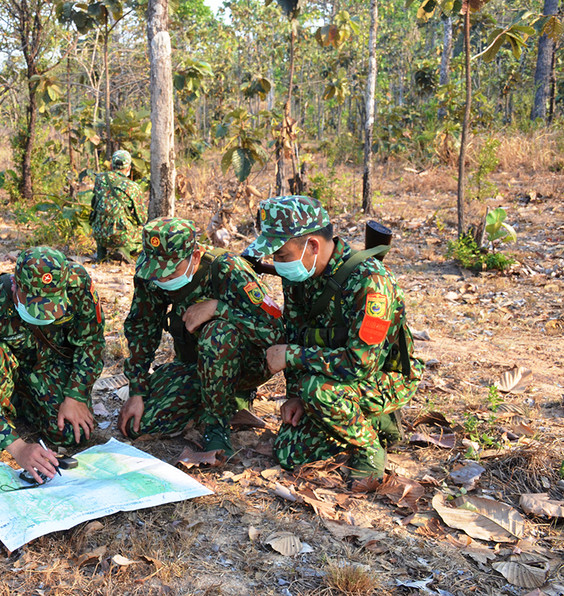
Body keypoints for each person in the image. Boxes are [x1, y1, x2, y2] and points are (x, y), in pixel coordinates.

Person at [243, 195, 423, 481]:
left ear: (313, 245)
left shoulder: (370, 282)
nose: (277, 264)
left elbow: (361, 363)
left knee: (318, 391)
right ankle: (369, 420)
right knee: (289, 453)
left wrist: (291, 357)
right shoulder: (300, 276)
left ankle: (368, 449)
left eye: (282, 256)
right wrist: (294, 395)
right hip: (331, 374)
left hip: (383, 378)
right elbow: (297, 333)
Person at [117, 218, 284, 456]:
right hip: (195, 364)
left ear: (194, 256)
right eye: (156, 272)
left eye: (170, 271)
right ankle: (217, 400)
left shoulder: (226, 269)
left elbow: (276, 332)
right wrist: (137, 391)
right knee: (141, 425)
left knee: (217, 332)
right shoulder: (150, 271)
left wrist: (219, 309)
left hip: (246, 365)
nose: (161, 279)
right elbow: (141, 329)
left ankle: (217, 426)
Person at [0, 247, 104, 483]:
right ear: (15, 286)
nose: (44, 314)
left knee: (70, 434)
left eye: (51, 305)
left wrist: (75, 395)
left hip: (46, 367)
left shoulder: (78, 284)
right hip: (5, 367)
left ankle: (25, 404)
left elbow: (91, 341)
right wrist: (17, 447)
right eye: (35, 304)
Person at [90, 149, 146, 264]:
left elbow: (95, 203)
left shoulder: (99, 179)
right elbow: (142, 218)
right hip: (121, 237)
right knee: (144, 233)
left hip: (99, 233)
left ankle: (101, 255)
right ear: (129, 168)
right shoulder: (133, 187)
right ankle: (124, 251)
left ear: (111, 166)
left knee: (102, 217)